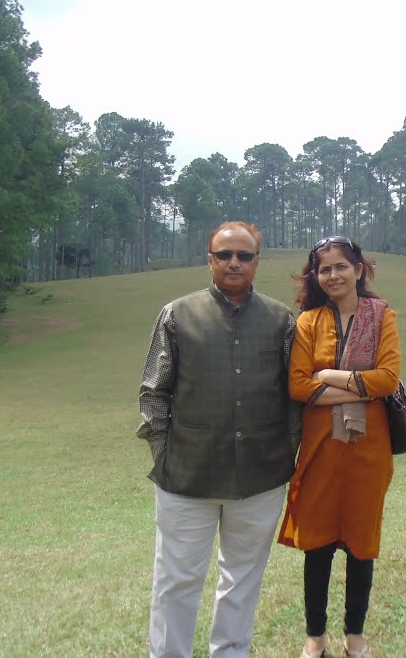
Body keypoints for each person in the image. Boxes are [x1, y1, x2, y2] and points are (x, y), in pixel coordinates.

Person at [137, 221, 298, 658]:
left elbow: (294, 396)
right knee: (176, 579)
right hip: (187, 477)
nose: (233, 263)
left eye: (244, 256)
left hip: (261, 477)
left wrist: (288, 452)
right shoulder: (177, 314)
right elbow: (154, 393)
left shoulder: (282, 319)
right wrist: (165, 455)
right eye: (224, 254)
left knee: (243, 579)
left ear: (257, 262)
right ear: (209, 259)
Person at [278, 236, 402, 658]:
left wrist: (327, 374)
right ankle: (315, 636)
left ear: (359, 270)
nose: (333, 275)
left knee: (361, 542)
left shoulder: (382, 315)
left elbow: (389, 379)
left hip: (369, 448)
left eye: (341, 266)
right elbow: (297, 385)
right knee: (317, 543)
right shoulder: (309, 322)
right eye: (324, 268)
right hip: (320, 448)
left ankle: (355, 637)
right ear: (316, 276)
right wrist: (357, 389)